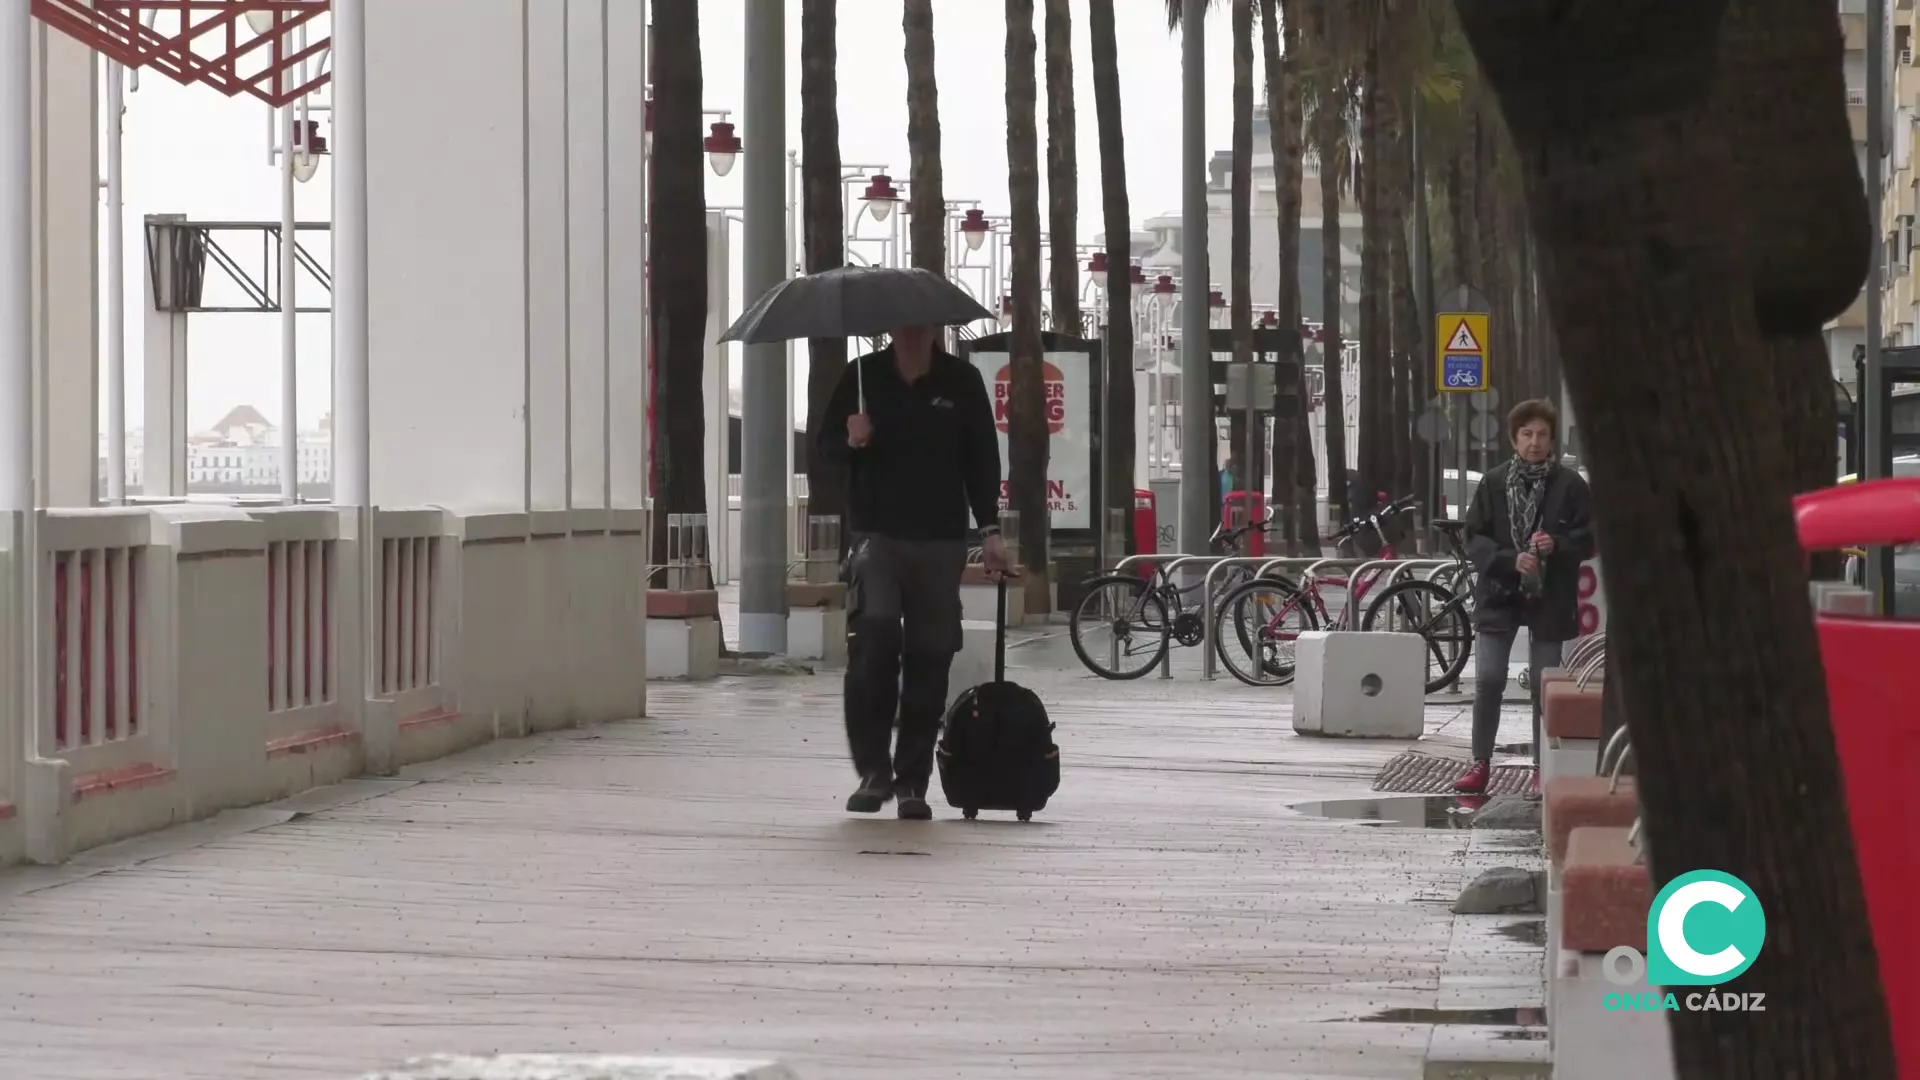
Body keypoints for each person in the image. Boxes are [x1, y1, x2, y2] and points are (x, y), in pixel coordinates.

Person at [815, 325, 1010, 819]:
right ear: (890, 329)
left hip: (940, 540)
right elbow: (824, 450)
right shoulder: (863, 377)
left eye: (920, 325)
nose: (911, 334)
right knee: (874, 642)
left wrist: (989, 530)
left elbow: (982, 459)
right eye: (903, 325)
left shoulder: (961, 381)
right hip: (876, 537)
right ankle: (873, 770)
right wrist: (850, 438)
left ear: (934, 329)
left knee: (931, 657)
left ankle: (912, 782)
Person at [1453, 398, 1594, 795]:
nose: (1534, 442)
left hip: (1551, 595)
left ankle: (1540, 764)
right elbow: (1473, 538)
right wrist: (1508, 559)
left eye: (1542, 435)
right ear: (1514, 439)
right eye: (1527, 434)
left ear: (1552, 441)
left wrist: (1557, 545)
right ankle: (1480, 763)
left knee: (1543, 684)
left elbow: (1589, 538)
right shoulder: (1494, 482)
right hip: (1500, 593)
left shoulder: (1570, 486)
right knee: (1489, 679)